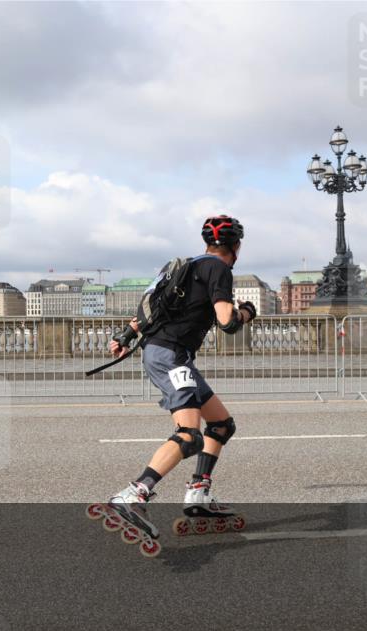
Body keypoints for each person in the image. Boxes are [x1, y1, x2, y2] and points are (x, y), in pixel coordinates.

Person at [103, 215, 257, 545]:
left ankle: (199, 492)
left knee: (221, 425)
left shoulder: (184, 265)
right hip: (171, 355)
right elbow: (227, 322)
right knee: (189, 435)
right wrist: (247, 312)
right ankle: (134, 494)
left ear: (207, 243)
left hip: (167, 353)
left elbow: (151, 307)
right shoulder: (219, 269)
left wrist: (126, 335)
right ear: (237, 247)